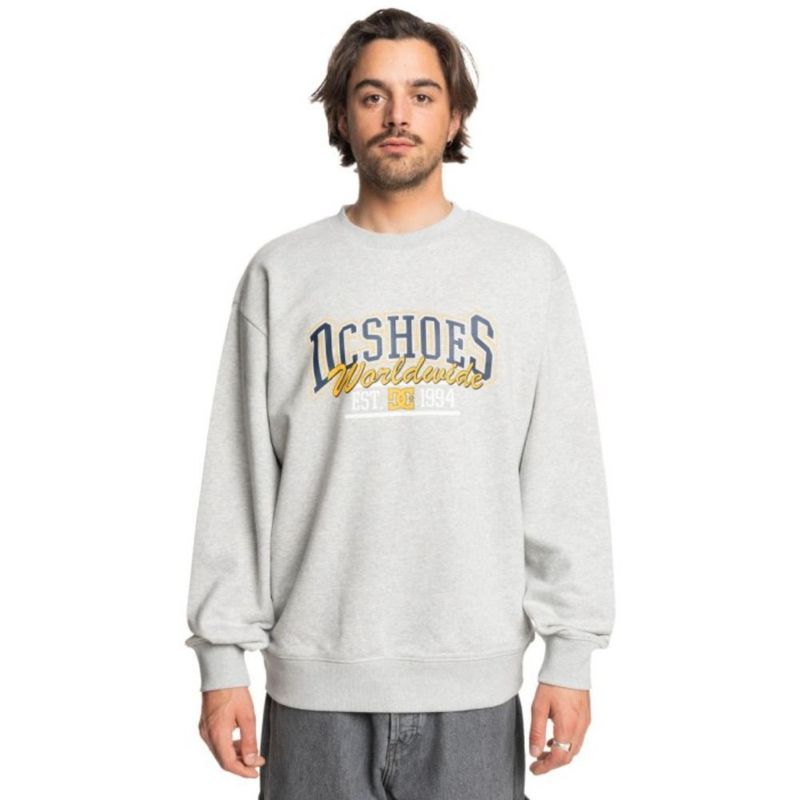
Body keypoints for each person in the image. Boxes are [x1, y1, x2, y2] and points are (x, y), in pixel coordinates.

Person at [184, 8, 615, 798]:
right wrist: (220, 661)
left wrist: (572, 653)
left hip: (476, 687)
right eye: (372, 95)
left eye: (421, 95)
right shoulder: (283, 273)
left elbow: (563, 472)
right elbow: (238, 480)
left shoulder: (524, 271)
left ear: (455, 117)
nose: (397, 116)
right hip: (313, 690)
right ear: (342, 118)